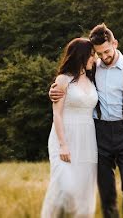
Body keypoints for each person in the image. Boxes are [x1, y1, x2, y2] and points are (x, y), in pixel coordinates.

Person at [50, 24, 123, 218]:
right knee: (107, 193)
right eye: (99, 53)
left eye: (107, 51)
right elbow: (70, 82)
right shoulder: (91, 67)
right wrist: (54, 89)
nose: (104, 57)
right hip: (98, 132)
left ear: (115, 43)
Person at [40, 37, 99, 218]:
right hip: (65, 136)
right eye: (91, 55)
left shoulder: (93, 79)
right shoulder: (63, 80)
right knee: (66, 188)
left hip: (88, 138)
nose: (94, 59)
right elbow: (57, 114)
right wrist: (63, 144)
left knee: (85, 191)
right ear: (80, 56)